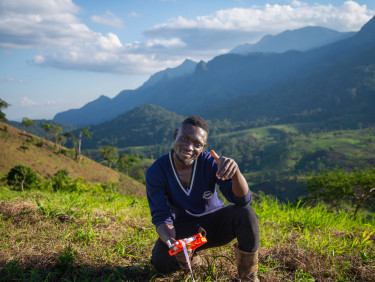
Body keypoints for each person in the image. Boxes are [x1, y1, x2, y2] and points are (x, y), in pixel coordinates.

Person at [146, 116, 260, 281]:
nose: (189, 147)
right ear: (176, 134)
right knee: (160, 262)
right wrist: (174, 245)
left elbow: (242, 201)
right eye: (185, 139)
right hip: (183, 231)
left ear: (203, 147)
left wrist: (236, 173)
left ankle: (249, 277)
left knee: (246, 214)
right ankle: (192, 258)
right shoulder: (157, 172)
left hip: (215, 226)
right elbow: (161, 217)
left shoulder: (210, 163)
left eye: (197, 144)